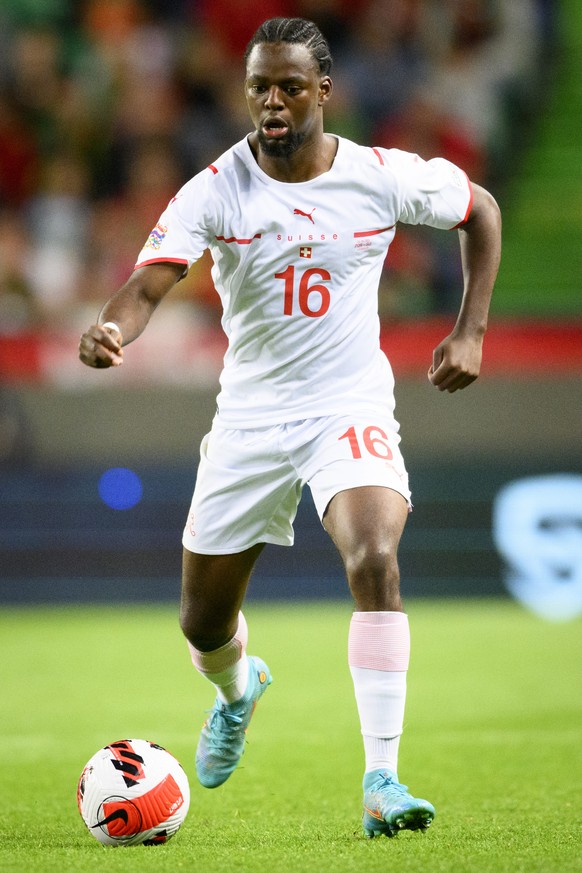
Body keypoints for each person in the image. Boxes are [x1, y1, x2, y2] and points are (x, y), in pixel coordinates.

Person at [79, 17, 501, 839]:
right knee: (202, 621)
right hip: (250, 419)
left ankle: (382, 775)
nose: (271, 103)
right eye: (259, 89)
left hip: (348, 405)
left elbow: (478, 209)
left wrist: (472, 327)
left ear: (323, 92)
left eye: (289, 87)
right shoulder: (216, 188)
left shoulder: (380, 176)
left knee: (375, 555)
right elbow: (149, 282)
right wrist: (112, 329)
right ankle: (239, 690)